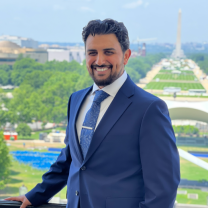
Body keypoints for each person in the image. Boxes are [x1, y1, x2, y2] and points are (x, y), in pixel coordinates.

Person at [6, 19, 180, 208]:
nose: (99, 60)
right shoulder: (76, 99)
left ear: (126, 56)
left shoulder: (150, 109)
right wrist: (36, 195)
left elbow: (163, 190)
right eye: (92, 53)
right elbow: (71, 159)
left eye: (108, 52)